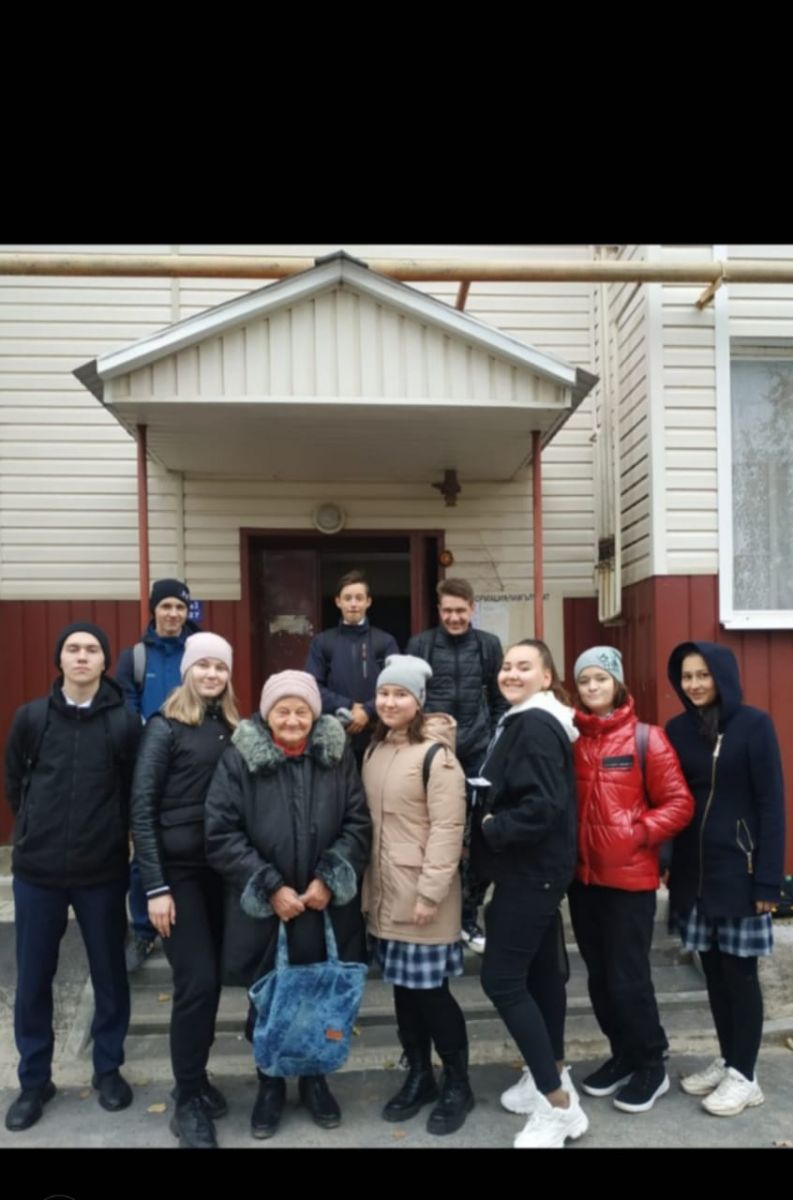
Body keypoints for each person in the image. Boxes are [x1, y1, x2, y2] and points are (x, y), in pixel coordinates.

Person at [205, 670, 371, 1140]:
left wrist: (329, 878)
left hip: (320, 905)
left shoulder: (336, 756)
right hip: (265, 908)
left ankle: (315, 1081)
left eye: (302, 710)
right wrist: (270, 887)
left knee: (318, 996)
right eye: (283, 710)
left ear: (315, 714)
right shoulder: (239, 758)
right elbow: (220, 831)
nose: (293, 719)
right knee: (269, 998)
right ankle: (270, 1083)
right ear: (267, 713)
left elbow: (358, 822)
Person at [4, 622, 141, 1132]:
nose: (82, 656)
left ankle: (108, 1068)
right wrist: (32, 830)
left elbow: (133, 791)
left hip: (101, 872)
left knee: (109, 974)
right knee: (33, 977)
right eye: (73, 649)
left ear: (105, 661)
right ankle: (34, 1080)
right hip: (37, 874)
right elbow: (16, 783)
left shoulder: (124, 723)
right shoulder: (31, 718)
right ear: (59, 659)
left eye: (92, 649)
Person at [470, 638, 586, 1149]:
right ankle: (552, 1075)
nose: (511, 674)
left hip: (531, 871)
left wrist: (493, 828)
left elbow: (543, 805)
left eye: (524, 666)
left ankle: (557, 1105)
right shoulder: (523, 718)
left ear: (546, 676)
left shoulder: (535, 724)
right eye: (506, 666)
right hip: (532, 869)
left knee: (501, 979)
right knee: (541, 976)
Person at [568, 645, 694, 1114]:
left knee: (628, 979)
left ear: (617, 683)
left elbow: (679, 803)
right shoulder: (574, 741)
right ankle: (622, 1053)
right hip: (584, 882)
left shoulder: (647, 739)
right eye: (585, 680)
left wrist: (638, 833)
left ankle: (651, 1063)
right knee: (600, 979)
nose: (592, 686)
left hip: (630, 883)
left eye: (601, 678)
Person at [665, 642, 785, 1117]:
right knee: (712, 971)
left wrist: (768, 882)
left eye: (703, 675)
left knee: (740, 972)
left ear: (723, 676)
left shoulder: (755, 725)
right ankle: (731, 1058)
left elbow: (772, 805)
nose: (694, 684)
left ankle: (746, 1076)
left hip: (742, 869)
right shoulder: (677, 730)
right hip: (694, 873)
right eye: (687, 676)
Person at [130, 632, 238, 1149]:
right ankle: (187, 1100)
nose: (212, 674)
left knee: (212, 983)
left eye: (221, 667)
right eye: (203, 665)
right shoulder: (164, 727)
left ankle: (195, 1076)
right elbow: (142, 808)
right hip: (180, 876)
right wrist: (155, 886)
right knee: (196, 982)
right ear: (187, 671)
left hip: (225, 874)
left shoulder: (234, 728)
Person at [361, 654, 472, 1136]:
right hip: (385, 892)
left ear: (419, 701)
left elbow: (448, 829)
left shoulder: (437, 757)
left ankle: (458, 1082)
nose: (389, 702)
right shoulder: (375, 749)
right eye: (384, 693)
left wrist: (430, 893)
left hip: (423, 894)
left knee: (432, 996)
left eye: (400, 694)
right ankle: (420, 1074)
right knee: (404, 994)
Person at [407, 578, 507, 953]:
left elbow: (499, 698)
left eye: (460, 611)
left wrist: (494, 740)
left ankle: (468, 915)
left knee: (478, 838)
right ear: (439, 610)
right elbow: (412, 699)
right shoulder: (420, 645)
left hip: (478, 752)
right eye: (447, 611)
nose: (454, 617)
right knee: (433, 835)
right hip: (433, 753)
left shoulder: (488, 645)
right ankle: (431, 912)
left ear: (472, 609)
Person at [116, 577, 200, 972]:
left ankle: (191, 923)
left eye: (180, 607)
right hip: (147, 764)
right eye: (166, 606)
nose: (173, 614)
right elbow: (126, 708)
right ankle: (143, 931)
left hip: (192, 764)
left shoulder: (198, 651)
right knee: (144, 849)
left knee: (194, 845)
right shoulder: (135, 657)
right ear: (154, 610)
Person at [304, 569, 399, 764]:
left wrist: (367, 711)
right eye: (347, 598)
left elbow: (398, 686)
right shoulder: (322, 642)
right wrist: (349, 706)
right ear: (338, 601)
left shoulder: (385, 641)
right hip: (335, 737)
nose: (353, 604)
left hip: (379, 736)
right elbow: (312, 687)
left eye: (359, 598)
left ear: (368, 602)